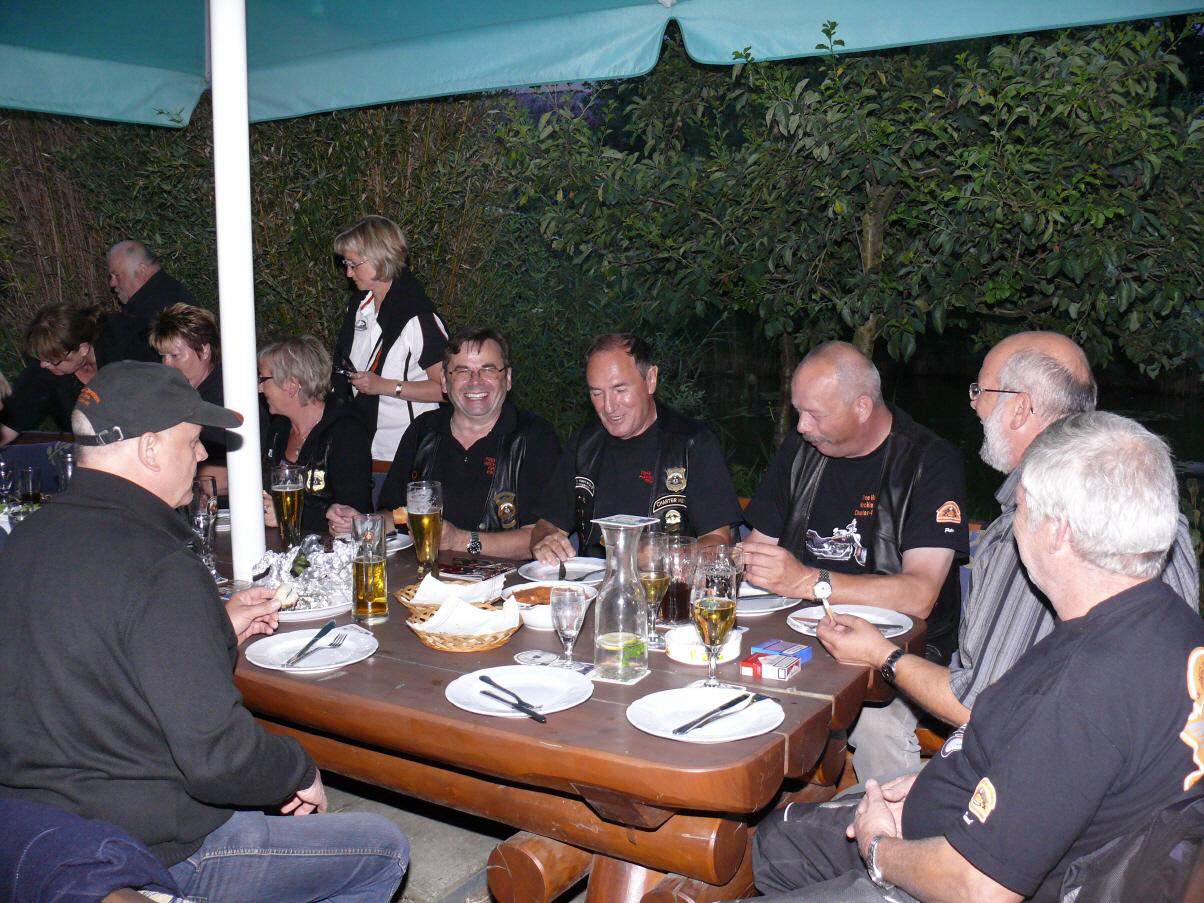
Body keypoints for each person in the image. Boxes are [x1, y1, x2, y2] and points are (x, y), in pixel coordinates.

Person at [751, 411, 1204, 903]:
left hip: (952, 877)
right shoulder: (1162, 621)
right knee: (775, 842)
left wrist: (878, 846)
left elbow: (978, 888)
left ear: (1058, 532)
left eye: (1021, 508)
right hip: (969, 816)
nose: (1010, 527)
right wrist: (941, 780)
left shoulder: (1087, 687)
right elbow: (1054, 767)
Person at [0, 361, 408, 901]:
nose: (200, 456)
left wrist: (216, 627)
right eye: (192, 441)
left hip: (36, 829)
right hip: (149, 847)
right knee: (382, 847)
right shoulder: (161, 565)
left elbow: (101, 653)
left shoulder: (25, 539)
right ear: (150, 449)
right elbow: (220, 759)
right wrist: (297, 768)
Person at [817, 332, 1200, 780]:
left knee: (806, 821)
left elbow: (978, 709)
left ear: (1020, 408)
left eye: (980, 390)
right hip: (1155, 775)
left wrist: (880, 653)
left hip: (1040, 776)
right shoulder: (1158, 511)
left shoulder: (1035, 529)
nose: (973, 405)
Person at [739, 341, 969, 784]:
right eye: (798, 411)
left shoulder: (928, 461)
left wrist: (809, 581)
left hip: (900, 646)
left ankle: (891, 821)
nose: (802, 426)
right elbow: (756, 551)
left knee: (876, 723)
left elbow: (920, 595)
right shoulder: (801, 449)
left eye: (814, 414)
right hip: (798, 631)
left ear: (862, 407)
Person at [329, 327, 562, 558]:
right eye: (462, 371)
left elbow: (541, 537)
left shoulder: (535, 438)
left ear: (508, 378)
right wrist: (362, 523)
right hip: (422, 574)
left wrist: (460, 541)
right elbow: (396, 514)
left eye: (488, 369)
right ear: (443, 381)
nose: (475, 381)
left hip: (507, 579)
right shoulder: (423, 431)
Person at [530, 333, 742, 562]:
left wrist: (660, 556)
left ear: (650, 379)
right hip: (591, 580)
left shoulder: (691, 443)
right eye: (597, 393)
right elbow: (547, 524)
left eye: (620, 390)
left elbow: (717, 542)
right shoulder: (585, 444)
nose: (608, 407)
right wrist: (545, 542)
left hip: (667, 582)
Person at [330, 215, 448, 476]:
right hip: (361, 449)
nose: (348, 273)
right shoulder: (360, 308)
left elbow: (448, 389)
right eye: (346, 264)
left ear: (379, 257)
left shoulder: (417, 316)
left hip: (405, 456)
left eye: (354, 264)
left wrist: (384, 386)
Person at [259, 335, 373, 536]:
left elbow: (352, 516)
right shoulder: (279, 430)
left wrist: (290, 515)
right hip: (280, 544)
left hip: (332, 550)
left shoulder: (345, 431)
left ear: (291, 385)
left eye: (263, 379)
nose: (259, 388)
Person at [0, 303, 158, 447]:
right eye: (41, 359)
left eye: (52, 360)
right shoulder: (45, 369)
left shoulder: (127, 348)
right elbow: (10, 422)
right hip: (89, 452)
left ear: (83, 349)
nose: (43, 365)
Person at [150, 303, 229, 488]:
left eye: (174, 355)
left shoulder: (225, 398)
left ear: (204, 350)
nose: (166, 365)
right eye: (162, 356)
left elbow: (219, 478)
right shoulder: (175, 395)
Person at [107, 240, 195, 326]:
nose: (112, 283)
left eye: (117, 275)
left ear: (142, 271)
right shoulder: (168, 292)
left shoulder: (155, 310)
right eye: (111, 276)